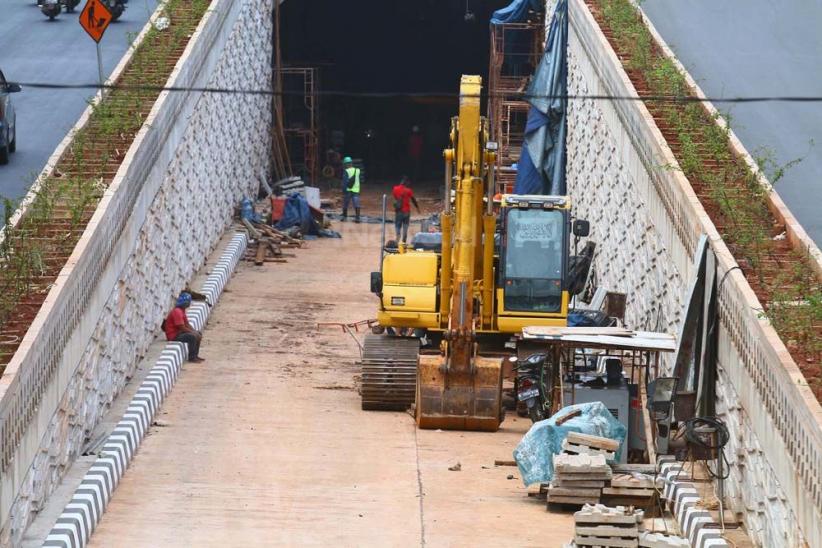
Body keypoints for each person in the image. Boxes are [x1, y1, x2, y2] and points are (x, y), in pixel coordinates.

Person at [163, 292, 205, 363]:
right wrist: (193, 333)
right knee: (192, 337)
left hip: (179, 332)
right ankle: (192, 357)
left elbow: (187, 324)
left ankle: (195, 355)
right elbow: (181, 327)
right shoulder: (177, 312)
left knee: (198, 334)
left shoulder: (182, 311)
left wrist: (194, 331)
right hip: (173, 335)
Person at [392, 176, 420, 243]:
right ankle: (404, 240)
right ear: (406, 182)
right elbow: (413, 200)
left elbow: (395, 198)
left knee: (397, 225)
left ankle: (398, 237)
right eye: (409, 182)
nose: (409, 184)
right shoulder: (409, 191)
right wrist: (417, 208)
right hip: (406, 212)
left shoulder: (395, 189)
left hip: (398, 211)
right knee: (405, 226)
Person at [341, 156, 362, 223]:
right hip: (356, 190)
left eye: (345, 164)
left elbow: (345, 182)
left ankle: (344, 217)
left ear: (346, 164)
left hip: (348, 190)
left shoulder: (346, 171)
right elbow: (358, 180)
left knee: (345, 204)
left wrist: (343, 191)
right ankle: (358, 218)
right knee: (356, 203)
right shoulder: (357, 170)